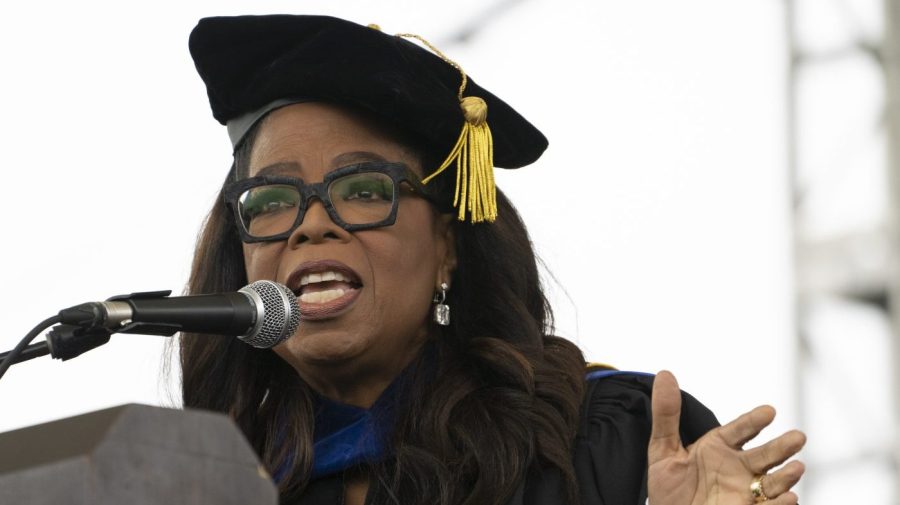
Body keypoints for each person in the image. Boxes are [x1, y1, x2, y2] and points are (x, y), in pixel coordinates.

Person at [180, 14, 806, 505]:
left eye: (364, 191)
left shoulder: (604, 441)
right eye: (270, 200)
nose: (312, 224)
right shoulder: (217, 486)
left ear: (448, 248)